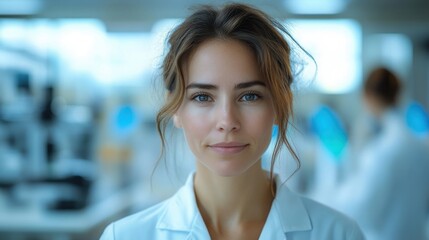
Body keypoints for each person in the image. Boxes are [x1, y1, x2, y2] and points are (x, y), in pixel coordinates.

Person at [100, 3, 364, 239]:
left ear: (280, 106)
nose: (227, 121)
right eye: (203, 97)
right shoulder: (124, 236)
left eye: (249, 96)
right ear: (176, 109)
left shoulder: (339, 234)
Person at [335, 67, 429, 240]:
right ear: (397, 96)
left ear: (367, 97)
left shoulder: (380, 151)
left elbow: (362, 210)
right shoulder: (420, 145)